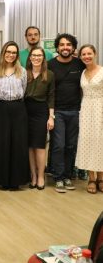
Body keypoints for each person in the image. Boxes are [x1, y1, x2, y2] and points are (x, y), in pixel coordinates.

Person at [48, 33, 85, 193]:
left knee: (71, 146)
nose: (65, 47)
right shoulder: (50, 65)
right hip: (57, 112)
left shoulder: (80, 64)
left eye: (68, 44)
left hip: (76, 111)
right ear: (57, 47)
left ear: (73, 47)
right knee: (58, 145)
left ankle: (68, 175)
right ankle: (58, 177)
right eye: (62, 44)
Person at [0, 41, 28, 190]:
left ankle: (16, 181)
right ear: (3, 53)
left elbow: (24, 90)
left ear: (17, 55)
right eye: (8, 52)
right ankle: (3, 180)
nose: (11, 55)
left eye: (14, 52)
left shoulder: (23, 71)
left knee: (18, 143)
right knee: (2, 143)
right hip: (2, 108)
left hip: (18, 108)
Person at [25, 46, 54, 190]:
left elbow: (51, 97)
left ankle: (41, 176)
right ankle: (33, 175)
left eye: (39, 55)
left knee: (40, 146)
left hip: (41, 112)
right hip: (25, 112)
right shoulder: (24, 73)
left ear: (43, 58)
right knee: (30, 146)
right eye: (34, 55)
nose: (36, 58)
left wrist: (51, 117)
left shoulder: (49, 74)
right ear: (30, 58)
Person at [76, 44, 103, 194]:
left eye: (89, 53)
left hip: (101, 108)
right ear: (80, 57)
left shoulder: (102, 71)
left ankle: (101, 177)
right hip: (86, 109)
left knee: (100, 142)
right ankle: (91, 178)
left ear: (95, 54)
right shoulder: (82, 73)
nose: (86, 56)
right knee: (88, 141)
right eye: (83, 54)